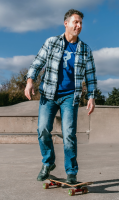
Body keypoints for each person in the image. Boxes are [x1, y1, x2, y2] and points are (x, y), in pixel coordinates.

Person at [24, 9, 97, 184]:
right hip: (48, 95)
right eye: (75, 22)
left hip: (70, 97)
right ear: (66, 23)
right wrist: (29, 81)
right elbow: (37, 62)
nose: (78, 26)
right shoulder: (52, 42)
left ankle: (71, 171)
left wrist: (91, 96)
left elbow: (91, 75)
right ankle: (48, 163)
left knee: (69, 134)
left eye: (80, 23)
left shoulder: (85, 49)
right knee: (42, 130)